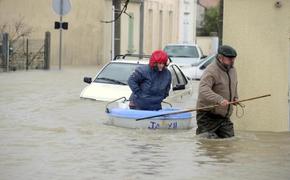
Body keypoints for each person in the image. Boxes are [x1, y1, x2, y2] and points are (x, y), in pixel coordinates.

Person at [196, 45, 238, 139]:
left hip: (224, 116)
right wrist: (219, 99)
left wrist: (235, 97)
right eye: (229, 58)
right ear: (220, 58)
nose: (232, 61)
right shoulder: (211, 70)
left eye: (234, 58)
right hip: (207, 115)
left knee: (229, 142)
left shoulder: (232, 70)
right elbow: (203, 89)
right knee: (207, 144)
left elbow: (234, 85)